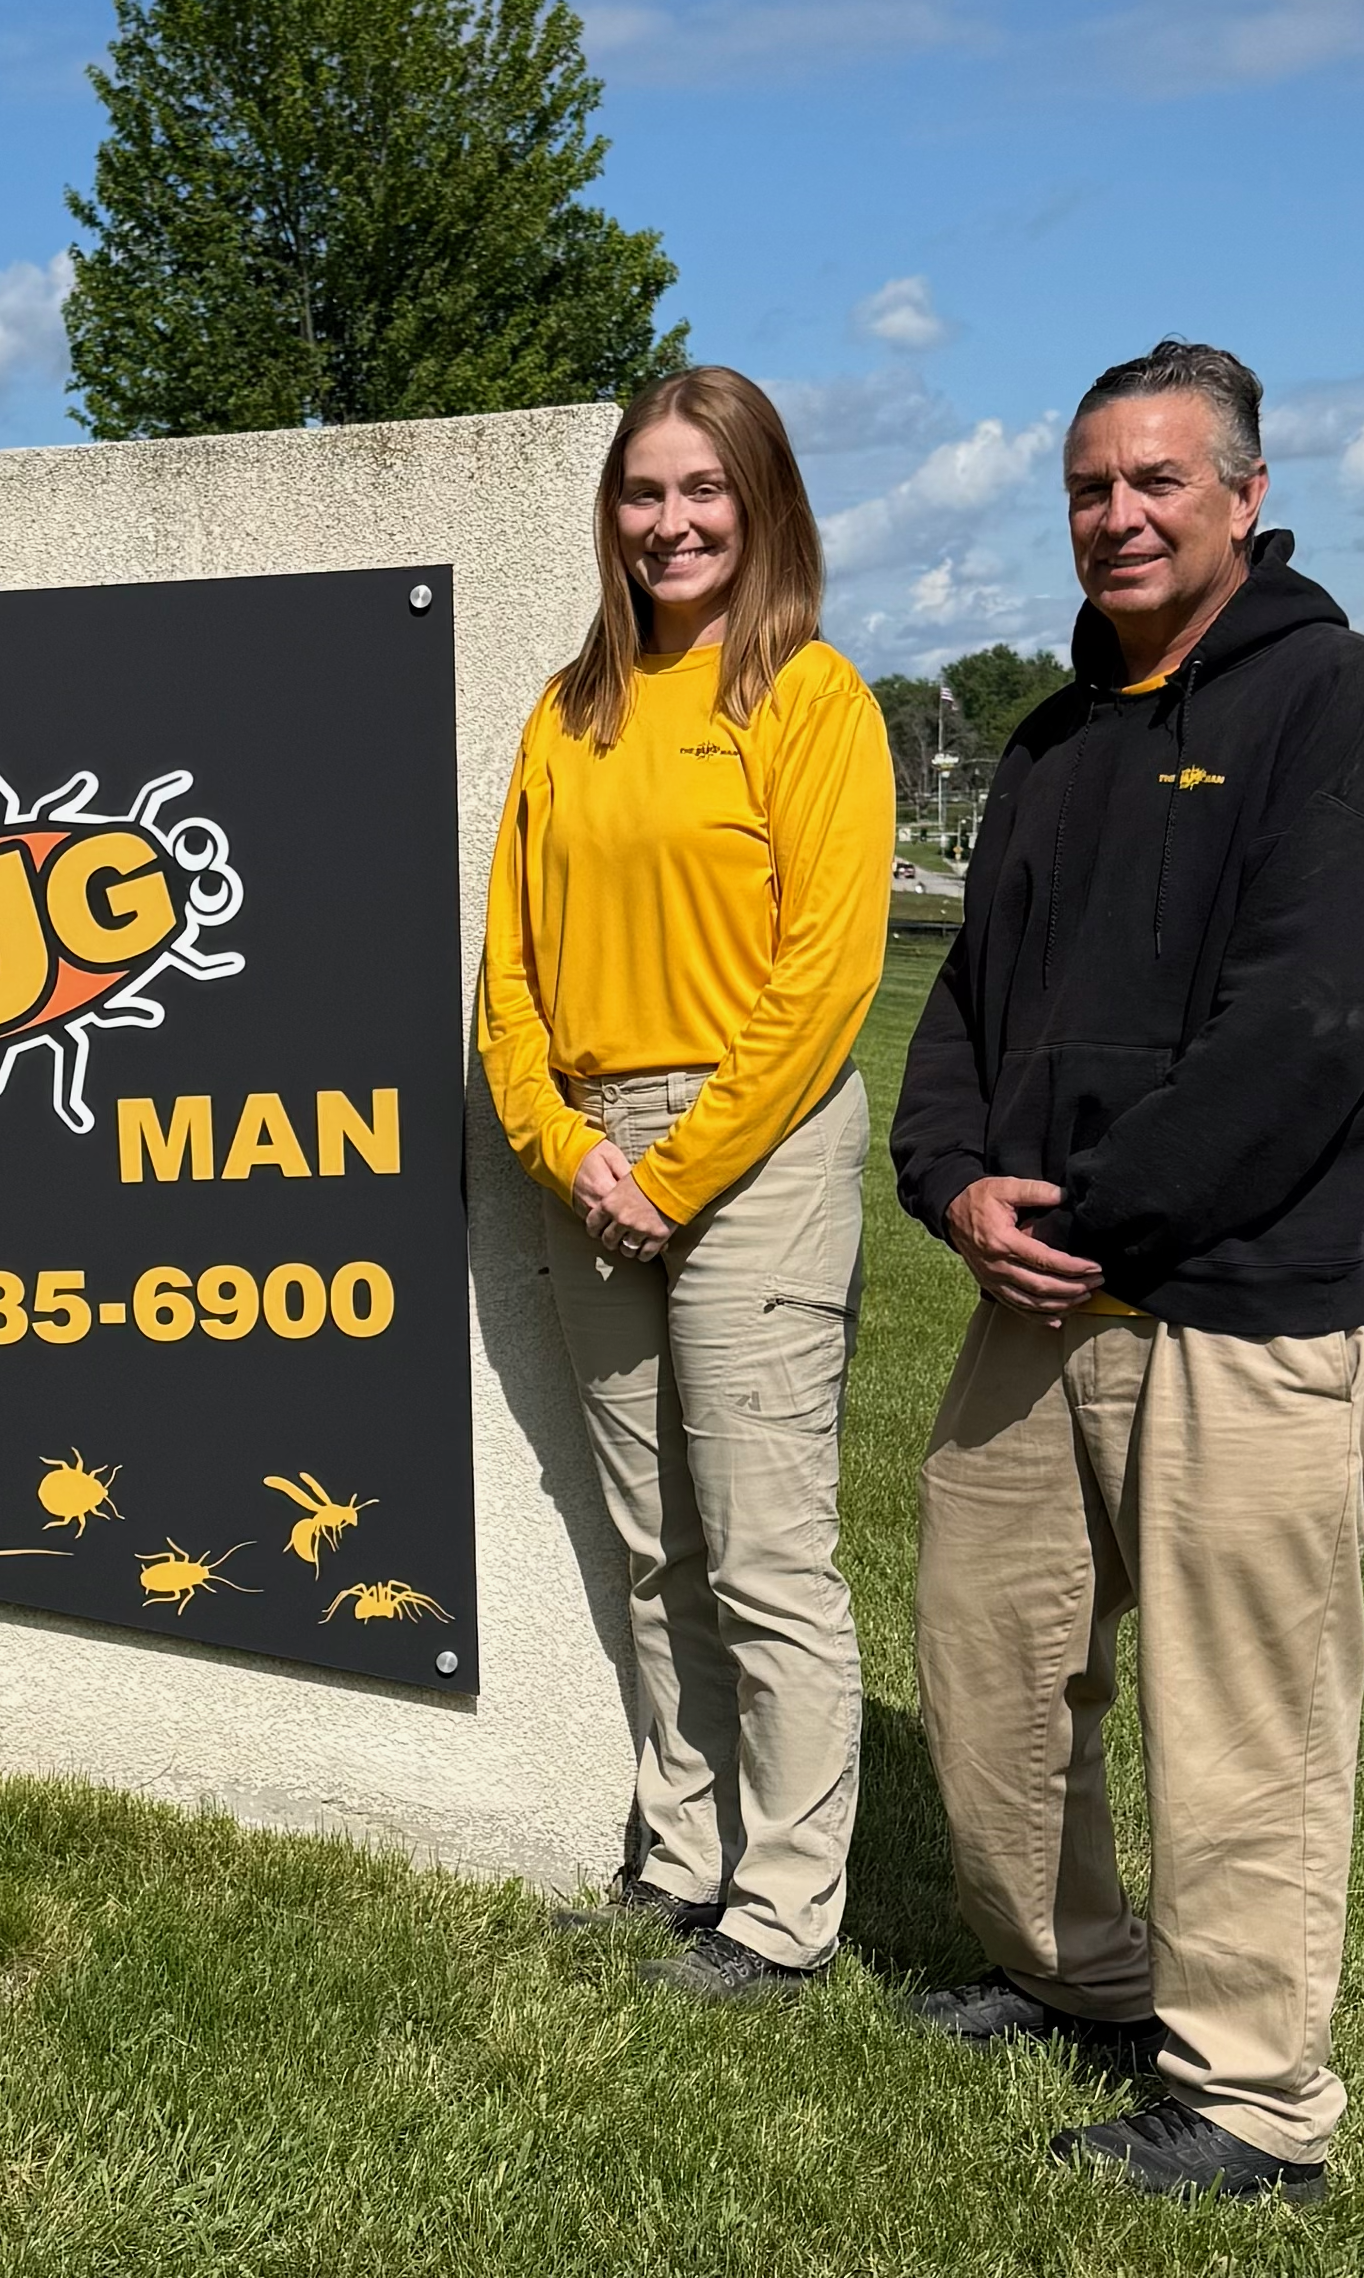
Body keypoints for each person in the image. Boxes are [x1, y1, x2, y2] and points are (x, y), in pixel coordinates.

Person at [892, 341, 1364, 2208]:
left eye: (1157, 484)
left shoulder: (1343, 709)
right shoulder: (1050, 748)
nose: (1116, 517)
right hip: (1036, 1307)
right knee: (988, 1664)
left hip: (1248, 1315)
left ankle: (1255, 2101)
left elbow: (1318, 1025)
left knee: (1246, 1730)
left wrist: (1095, 1221)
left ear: (1246, 496)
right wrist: (955, 1185)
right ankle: (1078, 1981)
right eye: (1086, 488)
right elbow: (966, 1010)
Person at [479, 365, 893, 2005]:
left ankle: (786, 1917)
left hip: (758, 1143)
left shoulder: (810, 699)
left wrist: (683, 1164)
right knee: (653, 1546)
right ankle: (683, 1863)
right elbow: (505, 974)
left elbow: (828, 969)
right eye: (644, 494)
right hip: (591, 1150)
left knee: (765, 1549)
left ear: (763, 504)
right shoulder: (568, 708)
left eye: (704, 492)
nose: (672, 523)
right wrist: (568, 1146)